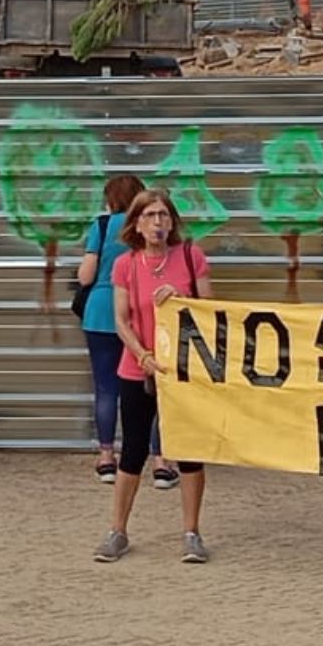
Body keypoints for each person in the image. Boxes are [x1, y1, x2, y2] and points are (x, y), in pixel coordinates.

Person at [94, 190, 215, 564]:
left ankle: (192, 533)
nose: (158, 222)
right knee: (133, 450)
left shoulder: (191, 257)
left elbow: (211, 312)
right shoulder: (126, 265)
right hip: (138, 368)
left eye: (164, 214)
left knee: (189, 451)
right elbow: (121, 319)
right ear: (136, 224)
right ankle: (117, 531)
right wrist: (142, 355)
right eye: (149, 215)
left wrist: (180, 298)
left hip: (183, 370)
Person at [75, 174, 183, 488]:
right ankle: (161, 461)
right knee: (157, 386)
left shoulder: (102, 225)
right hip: (146, 314)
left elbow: (85, 277)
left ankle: (107, 458)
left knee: (106, 388)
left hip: (101, 315)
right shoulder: (152, 227)